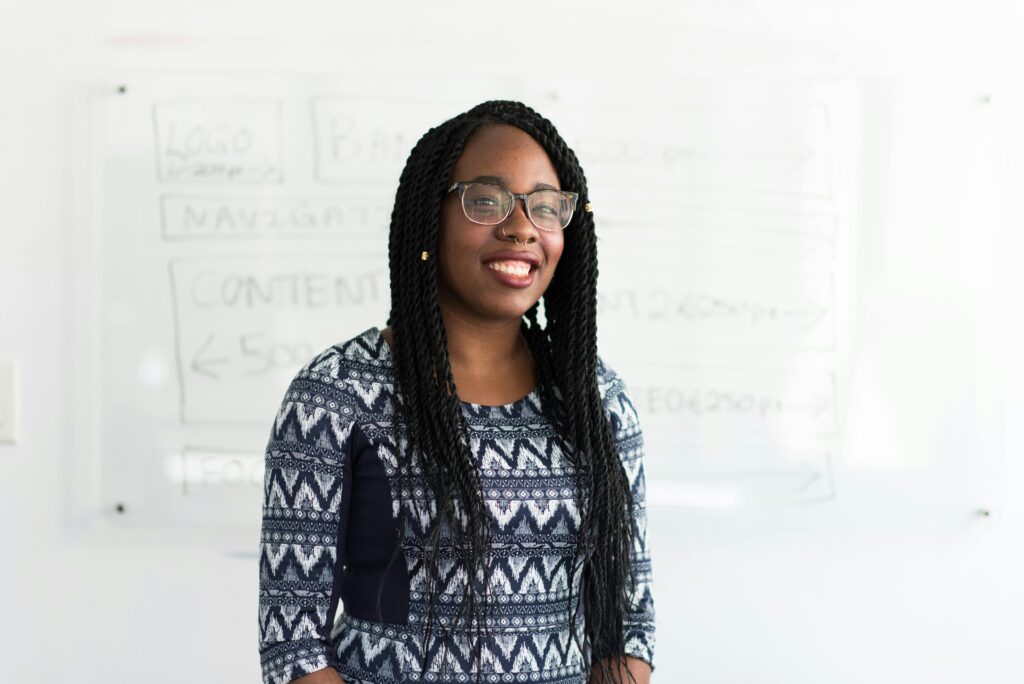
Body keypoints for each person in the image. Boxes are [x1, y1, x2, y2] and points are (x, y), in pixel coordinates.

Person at [257, 100, 656, 684]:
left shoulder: (597, 400)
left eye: (546, 206)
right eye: (486, 200)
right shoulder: (337, 396)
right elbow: (293, 646)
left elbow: (627, 626)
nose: (521, 226)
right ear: (430, 217)